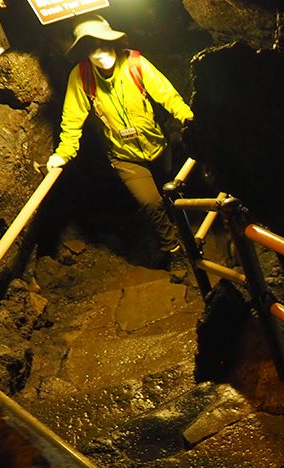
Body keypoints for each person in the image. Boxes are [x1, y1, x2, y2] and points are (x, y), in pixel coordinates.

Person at [46, 15, 193, 278]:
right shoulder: (81, 76)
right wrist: (63, 153)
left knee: (171, 193)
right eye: (91, 48)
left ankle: (189, 234)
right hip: (125, 157)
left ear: (113, 42)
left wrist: (189, 118)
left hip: (157, 146)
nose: (99, 53)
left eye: (103, 45)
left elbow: (167, 96)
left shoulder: (135, 63)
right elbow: (72, 119)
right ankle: (175, 252)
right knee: (150, 203)